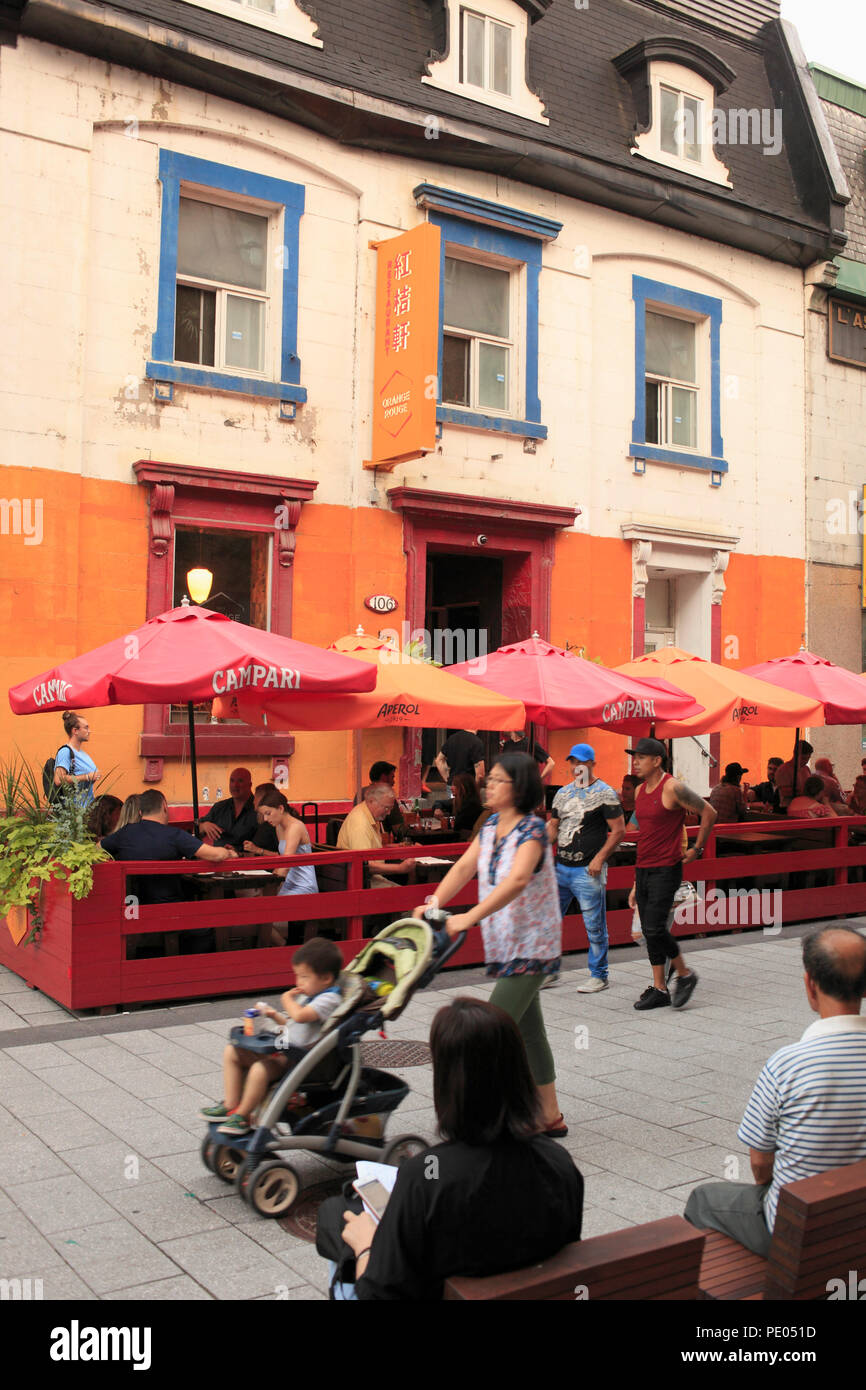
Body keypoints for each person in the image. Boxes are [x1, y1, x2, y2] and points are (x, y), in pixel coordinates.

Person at [317, 996, 584, 1300]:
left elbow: (378, 1295)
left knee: (344, 1227)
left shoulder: (426, 1178)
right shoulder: (558, 1162)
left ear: (448, 1081)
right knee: (336, 1212)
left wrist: (366, 1246)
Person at [684, 924, 866, 1256]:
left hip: (797, 1229)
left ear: (810, 985)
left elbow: (760, 1162)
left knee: (704, 1198)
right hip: (858, 1223)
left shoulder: (788, 1065)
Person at [412, 750, 567, 1135]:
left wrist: (468, 917)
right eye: (490, 778)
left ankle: (475, 1119)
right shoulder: (491, 826)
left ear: (519, 788)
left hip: (533, 943)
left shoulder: (532, 830)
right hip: (507, 942)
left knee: (485, 1032)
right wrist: (434, 903)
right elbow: (464, 867)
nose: (488, 784)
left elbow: (517, 880)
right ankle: (549, 1116)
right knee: (530, 1033)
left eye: (498, 779)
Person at [200, 937, 343, 1137]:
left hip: (299, 1062)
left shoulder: (329, 999)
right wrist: (274, 1015)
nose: (297, 982)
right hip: (286, 1051)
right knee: (232, 1051)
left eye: (303, 977)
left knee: (260, 1070)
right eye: (297, 976)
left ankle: (242, 1116)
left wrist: (286, 999)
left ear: (326, 978)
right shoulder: (313, 995)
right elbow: (295, 1026)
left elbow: (300, 1016)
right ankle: (231, 1104)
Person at [626, 738, 716, 1011]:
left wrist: (698, 849)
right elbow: (639, 832)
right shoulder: (640, 790)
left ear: (657, 760)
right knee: (648, 930)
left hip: (667, 868)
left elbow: (709, 812)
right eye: (635, 757)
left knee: (654, 927)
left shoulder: (673, 787)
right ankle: (660, 988)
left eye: (641, 757)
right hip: (643, 867)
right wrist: (634, 881)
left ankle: (685, 975)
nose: (635, 762)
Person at [547, 744, 625, 994]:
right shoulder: (562, 793)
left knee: (594, 924)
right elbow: (554, 827)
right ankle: (549, 970)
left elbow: (619, 830)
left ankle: (599, 974)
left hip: (587, 869)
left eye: (580, 762)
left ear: (591, 764)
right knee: (549, 920)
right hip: (561, 865)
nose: (575, 767)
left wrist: (600, 858)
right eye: (571, 762)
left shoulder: (606, 793)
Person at [100, 788, 237, 908]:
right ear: (164, 807)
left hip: (132, 905)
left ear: (140, 812)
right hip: (169, 907)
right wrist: (230, 853)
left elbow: (96, 849)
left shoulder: (124, 833)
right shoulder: (174, 835)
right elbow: (215, 855)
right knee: (205, 925)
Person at [337, 784, 417, 887]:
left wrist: (397, 847)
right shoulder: (360, 824)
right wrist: (400, 868)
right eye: (386, 808)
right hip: (362, 883)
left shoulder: (369, 814)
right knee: (407, 894)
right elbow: (365, 865)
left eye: (390, 808)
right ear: (371, 801)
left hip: (367, 879)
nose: (388, 813)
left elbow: (370, 849)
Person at [199, 767, 259, 850]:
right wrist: (204, 826)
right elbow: (195, 829)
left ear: (250, 785)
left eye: (240, 781)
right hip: (217, 859)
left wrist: (237, 851)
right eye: (232, 781)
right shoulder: (219, 807)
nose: (235, 785)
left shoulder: (259, 810)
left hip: (245, 860)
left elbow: (262, 846)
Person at [53, 712, 99, 805]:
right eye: (86, 727)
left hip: (87, 808)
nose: (89, 731)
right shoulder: (65, 752)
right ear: (75, 731)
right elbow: (58, 780)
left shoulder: (82, 754)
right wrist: (86, 777)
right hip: (74, 811)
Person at [353, 762, 406, 837]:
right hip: (381, 842)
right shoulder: (387, 797)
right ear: (384, 777)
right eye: (392, 777)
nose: (394, 782)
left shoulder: (359, 793)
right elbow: (398, 830)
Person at [242, 783, 280, 856]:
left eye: (255, 798)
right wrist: (238, 854)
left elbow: (284, 856)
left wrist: (258, 850)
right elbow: (254, 853)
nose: (253, 802)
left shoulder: (276, 823)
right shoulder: (263, 821)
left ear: (262, 799)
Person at [775, 742, 813, 810]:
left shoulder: (806, 769)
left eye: (808, 758)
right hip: (788, 807)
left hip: (805, 806)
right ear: (795, 755)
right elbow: (785, 791)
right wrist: (806, 792)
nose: (806, 761)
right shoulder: (783, 769)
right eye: (803, 758)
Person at [451, 772, 483, 839]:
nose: (451, 788)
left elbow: (457, 827)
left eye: (455, 785)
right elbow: (440, 803)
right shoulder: (464, 801)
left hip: (467, 842)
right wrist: (438, 808)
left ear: (464, 787)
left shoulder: (470, 805)